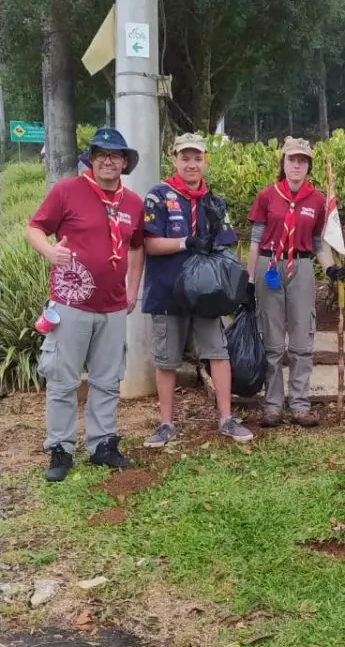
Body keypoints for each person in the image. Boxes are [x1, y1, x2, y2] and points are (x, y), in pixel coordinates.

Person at [26, 127, 145, 482]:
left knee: (108, 380)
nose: (108, 160)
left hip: (111, 306)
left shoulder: (133, 203)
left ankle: (102, 444)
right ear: (90, 160)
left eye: (115, 155)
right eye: (101, 154)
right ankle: (60, 448)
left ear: (124, 163)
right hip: (70, 302)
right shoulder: (67, 191)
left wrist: (133, 289)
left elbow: (137, 245)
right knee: (62, 378)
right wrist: (50, 251)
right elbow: (34, 228)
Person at [142, 133, 253, 447]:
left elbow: (226, 246)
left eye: (197, 158)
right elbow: (150, 244)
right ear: (174, 159)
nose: (191, 164)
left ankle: (226, 418)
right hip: (167, 292)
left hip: (207, 295)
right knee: (166, 360)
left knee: (218, 353)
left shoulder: (213, 201)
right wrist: (185, 243)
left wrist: (237, 284)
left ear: (205, 161)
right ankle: (165, 424)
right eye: (185, 157)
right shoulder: (158, 196)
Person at [247, 137, 345, 428]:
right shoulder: (267, 196)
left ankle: (300, 404)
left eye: (302, 161)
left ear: (308, 166)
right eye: (292, 160)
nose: (297, 165)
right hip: (270, 266)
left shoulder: (315, 200)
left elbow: (318, 242)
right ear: (283, 162)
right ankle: (273, 405)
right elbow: (254, 241)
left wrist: (330, 269)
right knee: (273, 341)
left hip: (301, 267)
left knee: (302, 339)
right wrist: (249, 279)